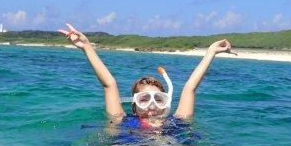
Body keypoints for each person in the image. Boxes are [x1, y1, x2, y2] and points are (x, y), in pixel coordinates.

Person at [58, 22, 235, 128]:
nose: (152, 106)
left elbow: (190, 88)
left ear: (166, 102)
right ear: (134, 105)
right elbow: (109, 84)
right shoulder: (123, 121)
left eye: (158, 99)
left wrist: (211, 51)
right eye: (144, 99)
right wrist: (87, 47)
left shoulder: (177, 122)